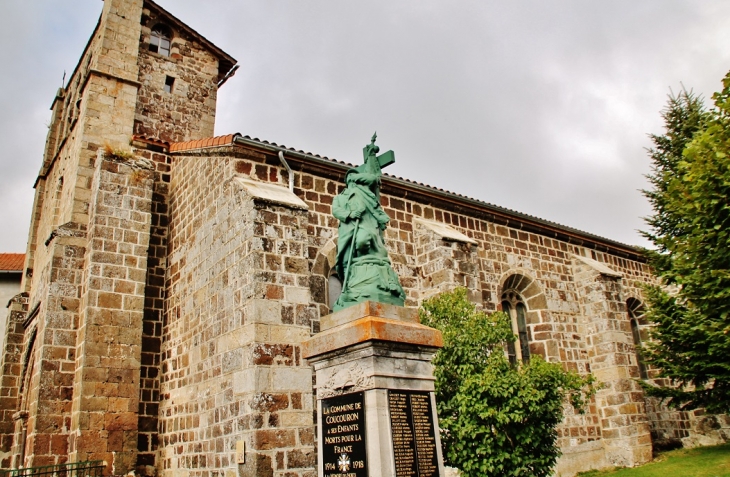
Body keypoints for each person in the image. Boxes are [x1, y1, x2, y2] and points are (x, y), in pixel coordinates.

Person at [331, 135, 406, 311]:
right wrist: (350, 213)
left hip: (366, 225)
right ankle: (350, 287)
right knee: (349, 252)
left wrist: (369, 160)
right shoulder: (340, 198)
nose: (351, 181)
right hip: (349, 229)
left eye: (353, 178)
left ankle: (375, 283)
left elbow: (373, 178)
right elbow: (337, 211)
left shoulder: (364, 192)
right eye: (349, 178)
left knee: (366, 240)